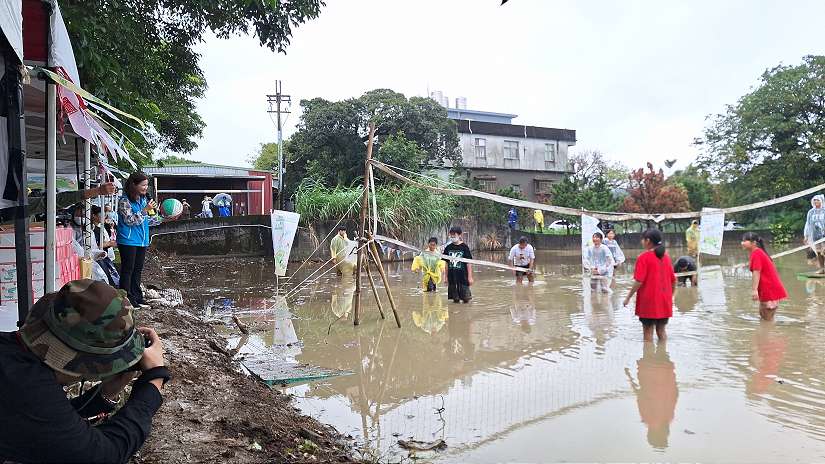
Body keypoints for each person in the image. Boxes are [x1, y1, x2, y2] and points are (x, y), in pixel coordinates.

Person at [0, 279, 170, 463]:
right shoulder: (30, 390)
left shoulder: (17, 364)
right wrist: (153, 382)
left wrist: (105, 395)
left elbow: (50, 422)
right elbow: (104, 456)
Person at [623, 229, 676, 342]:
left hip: (649, 301)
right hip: (664, 301)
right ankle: (663, 352)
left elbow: (639, 281)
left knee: (647, 331)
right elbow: (673, 280)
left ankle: (648, 353)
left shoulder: (643, 257)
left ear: (648, 241)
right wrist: (670, 296)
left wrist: (628, 297)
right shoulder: (666, 257)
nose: (641, 242)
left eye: (642, 239)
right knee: (661, 331)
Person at [117, 172, 155, 310]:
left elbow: (146, 220)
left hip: (141, 240)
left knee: (137, 270)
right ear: (134, 185)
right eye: (143, 185)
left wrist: (160, 217)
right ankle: (126, 299)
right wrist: (145, 210)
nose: (146, 188)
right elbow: (130, 220)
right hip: (128, 240)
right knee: (128, 270)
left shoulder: (143, 199)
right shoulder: (124, 201)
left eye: (147, 185)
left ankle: (137, 297)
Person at [742, 232, 787, 321]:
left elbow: (756, 272)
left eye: (745, 240)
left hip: (769, 289)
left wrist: (754, 290)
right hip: (770, 288)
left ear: (754, 243)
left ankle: (768, 330)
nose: (742, 243)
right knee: (765, 317)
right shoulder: (758, 252)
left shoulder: (756, 253)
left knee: (766, 319)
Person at [443, 226, 473, 303]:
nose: (452, 236)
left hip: (463, 276)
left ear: (460, 235)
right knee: (455, 299)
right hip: (452, 276)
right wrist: (445, 277)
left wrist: (470, 277)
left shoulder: (464, 247)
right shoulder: (448, 248)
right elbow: (446, 263)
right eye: (451, 235)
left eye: (454, 235)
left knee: (466, 299)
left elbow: (469, 263)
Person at [803, 194, 825, 274]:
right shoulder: (811, 212)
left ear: (821, 201)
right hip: (815, 236)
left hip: (824, 235)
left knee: (824, 251)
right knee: (818, 252)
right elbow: (808, 224)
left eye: (817, 200)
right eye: (814, 200)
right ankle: (822, 269)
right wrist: (806, 235)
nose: (816, 202)